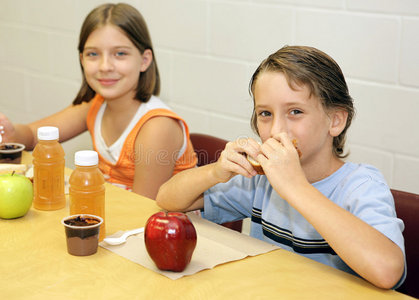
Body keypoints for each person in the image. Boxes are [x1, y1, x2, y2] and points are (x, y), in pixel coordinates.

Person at [156, 45, 406, 289]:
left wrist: (296, 188)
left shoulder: (361, 186)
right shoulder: (260, 180)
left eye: (295, 111)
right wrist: (215, 172)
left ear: (336, 120)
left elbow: (388, 271)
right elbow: (167, 200)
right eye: (265, 114)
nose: (276, 130)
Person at [0, 3, 197, 199]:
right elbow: (35, 136)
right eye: (93, 54)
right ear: (82, 60)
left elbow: (145, 208)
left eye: (120, 53)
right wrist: (12, 134)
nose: (105, 66)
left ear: (144, 60)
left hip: (165, 225)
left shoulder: (156, 126)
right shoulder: (95, 105)